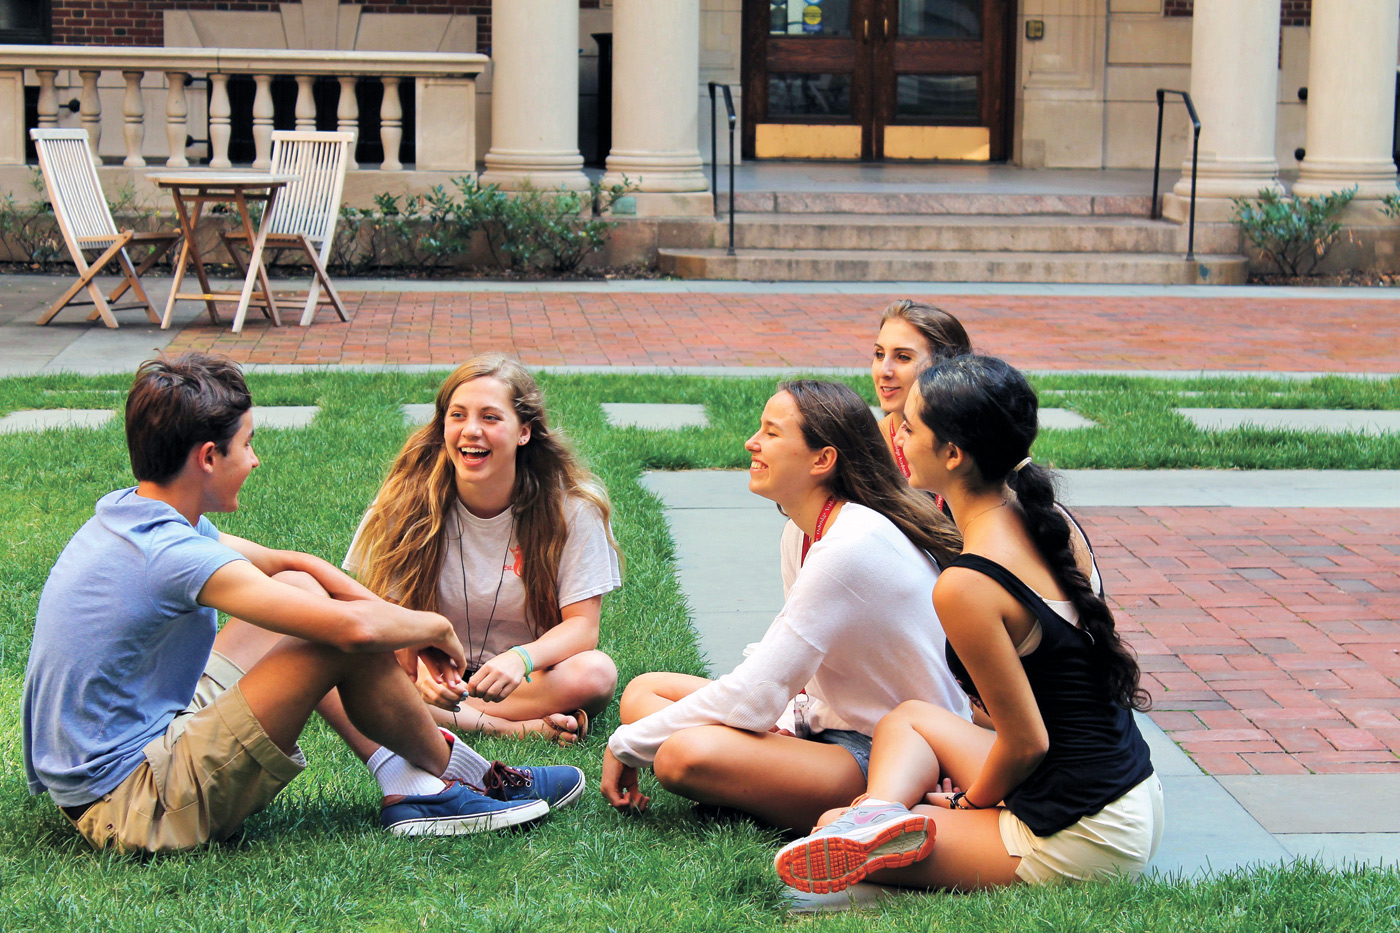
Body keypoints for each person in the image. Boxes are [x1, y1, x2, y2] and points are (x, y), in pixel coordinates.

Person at [21, 352, 584, 854]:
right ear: (209, 457)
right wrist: (431, 626)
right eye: (247, 445)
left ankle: (406, 784)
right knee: (333, 638)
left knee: (303, 591)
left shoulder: (139, 514)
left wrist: (378, 612)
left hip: (138, 750)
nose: (256, 459)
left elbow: (294, 567)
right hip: (134, 804)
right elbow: (355, 631)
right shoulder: (171, 555)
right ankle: (473, 775)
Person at [774, 355, 1161, 893]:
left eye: (909, 428)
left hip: (1079, 833)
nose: (897, 438)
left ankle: (874, 825)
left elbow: (1027, 743)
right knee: (908, 718)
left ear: (953, 454)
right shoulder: (1041, 517)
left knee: (826, 826)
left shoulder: (965, 585)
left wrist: (970, 801)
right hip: (1129, 791)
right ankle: (879, 812)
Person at [601, 380, 970, 833]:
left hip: (888, 754)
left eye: (771, 433)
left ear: (822, 459)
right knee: (644, 692)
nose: (751, 443)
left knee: (682, 756)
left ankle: (878, 806)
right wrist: (772, 719)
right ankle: (762, 789)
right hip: (820, 722)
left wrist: (625, 746)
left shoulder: (850, 546)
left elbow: (754, 694)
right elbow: (784, 661)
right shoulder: (803, 530)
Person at [345, 354, 621, 745]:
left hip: (525, 679)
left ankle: (443, 715)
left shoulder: (573, 510)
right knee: (354, 666)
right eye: (457, 416)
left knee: (595, 674)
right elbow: (381, 617)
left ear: (523, 431)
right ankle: (516, 728)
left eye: (490, 418)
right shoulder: (402, 504)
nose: (470, 431)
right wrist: (422, 669)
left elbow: (582, 628)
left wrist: (520, 659)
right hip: (430, 673)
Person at [871, 300, 971, 481]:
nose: (883, 371)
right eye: (879, 354)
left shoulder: (978, 443)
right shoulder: (864, 450)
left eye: (902, 357)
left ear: (944, 366)